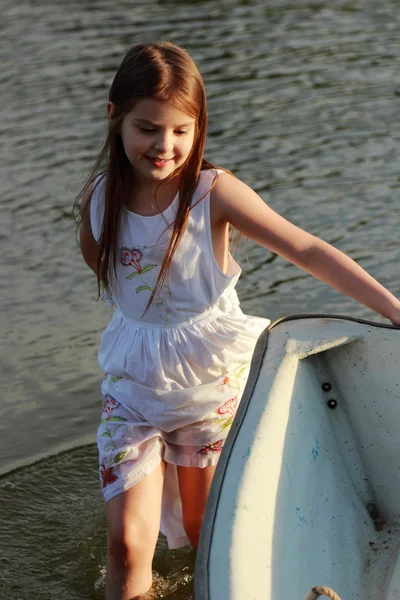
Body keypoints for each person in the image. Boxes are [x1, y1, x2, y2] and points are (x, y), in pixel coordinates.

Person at [75, 41, 400, 599]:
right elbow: (114, 281)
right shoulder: (102, 200)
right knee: (127, 546)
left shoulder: (211, 193)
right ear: (116, 119)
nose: (165, 145)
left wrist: (393, 309)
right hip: (131, 385)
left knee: (205, 537)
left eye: (181, 130)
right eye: (147, 128)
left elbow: (308, 248)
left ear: (198, 125)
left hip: (208, 382)